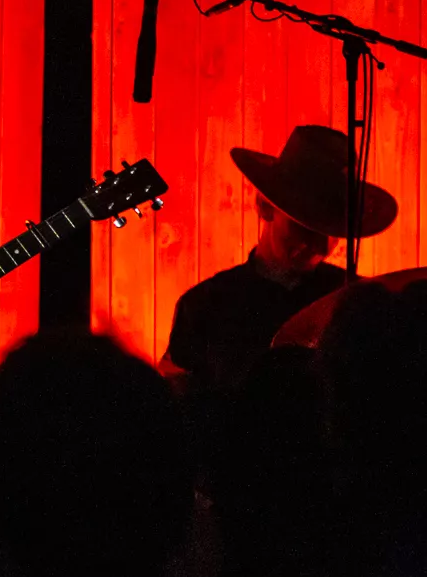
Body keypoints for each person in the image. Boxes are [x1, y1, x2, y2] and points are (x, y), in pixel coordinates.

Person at [160, 124, 397, 392]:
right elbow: (180, 398)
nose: (319, 245)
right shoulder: (205, 305)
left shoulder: (356, 301)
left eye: (330, 231)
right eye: (304, 225)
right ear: (264, 206)